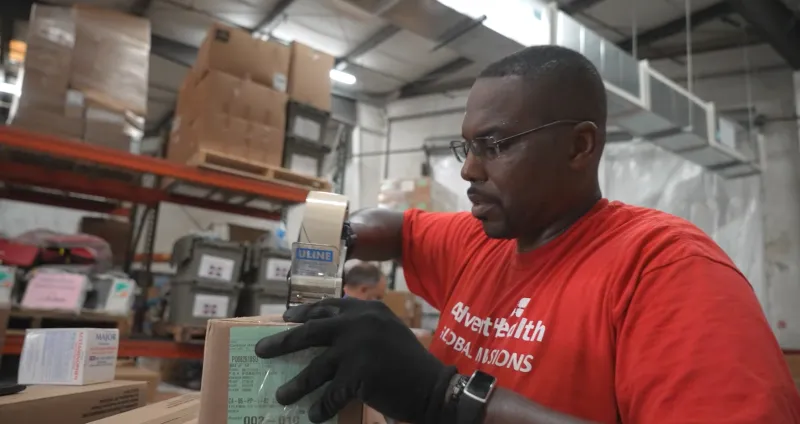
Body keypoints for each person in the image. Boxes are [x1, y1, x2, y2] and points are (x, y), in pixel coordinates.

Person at [254, 45, 800, 424]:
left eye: (495, 145)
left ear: (580, 146)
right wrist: (338, 234)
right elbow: (398, 229)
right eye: (467, 147)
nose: (468, 170)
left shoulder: (666, 270)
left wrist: (447, 398)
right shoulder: (482, 241)